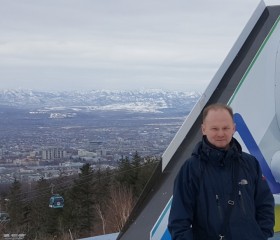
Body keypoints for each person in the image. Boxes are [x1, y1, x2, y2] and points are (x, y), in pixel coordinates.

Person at [168, 103, 275, 240]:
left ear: (234, 129)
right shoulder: (191, 170)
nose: (220, 134)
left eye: (225, 128)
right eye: (214, 128)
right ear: (204, 129)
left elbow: (264, 203)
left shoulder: (250, 163)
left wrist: (261, 234)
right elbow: (179, 222)